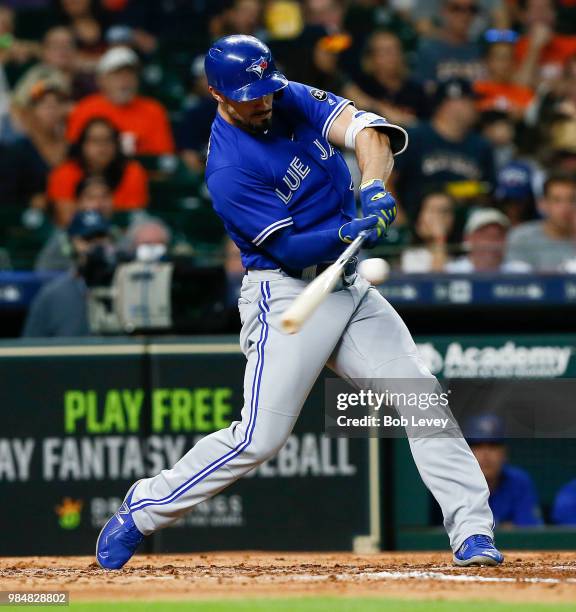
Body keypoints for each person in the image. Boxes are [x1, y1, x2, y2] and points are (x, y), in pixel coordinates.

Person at [96, 35, 503, 570]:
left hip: (349, 286)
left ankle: (472, 531)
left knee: (421, 398)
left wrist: (375, 189)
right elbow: (287, 248)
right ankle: (142, 509)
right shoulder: (228, 167)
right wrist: (347, 230)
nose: (261, 100)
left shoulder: (284, 93)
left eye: (264, 88)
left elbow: (369, 132)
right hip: (287, 289)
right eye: (249, 94)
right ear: (218, 95)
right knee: (258, 439)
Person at [393, 77, 496, 219]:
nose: (476, 106)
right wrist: (398, 217)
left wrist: (472, 195)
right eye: (470, 101)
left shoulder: (481, 145)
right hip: (415, 223)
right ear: (449, 104)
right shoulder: (415, 137)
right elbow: (387, 180)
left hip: (465, 226)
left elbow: (488, 193)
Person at [66, 46, 175, 155]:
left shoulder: (153, 111)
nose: (125, 80)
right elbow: (74, 155)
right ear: (101, 80)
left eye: (130, 73)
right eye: (117, 74)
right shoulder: (85, 109)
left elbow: (163, 159)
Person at [22, 209, 112, 338]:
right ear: (71, 244)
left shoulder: (126, 287)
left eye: (101, 237)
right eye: (87, 239)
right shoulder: (53, 294)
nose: (96, 246)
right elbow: (29, 350)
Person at [48, 117, 149, 226]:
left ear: (117, 145)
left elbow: (132, 218)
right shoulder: (64, 173)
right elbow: (66, 220)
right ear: (82, 145)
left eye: (108, 140)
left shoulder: (133, 171)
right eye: (94, 140)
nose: (102, 146)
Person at [465, 413, 544, 527]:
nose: (485, 454)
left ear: (504, 453)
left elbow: (531, 532)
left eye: (493, 446)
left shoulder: (518, 482)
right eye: (478, 446)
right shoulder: (452, 484)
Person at [0, 77, 69, 208]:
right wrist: (29, 202)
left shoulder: (73, 148)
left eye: (56, 104)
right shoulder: (16, 152)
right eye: (43, 104)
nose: (51, 110)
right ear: (30, 112)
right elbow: (6, 198)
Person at [342, 30, 430, 126]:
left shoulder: (416, 90)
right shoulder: (360, 86)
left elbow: (426, 126)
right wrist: (382, 109)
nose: (392, 56)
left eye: (396, 50)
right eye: (385, 51)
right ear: (371, 58)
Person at [36, 175, 114, 271]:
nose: (99, 203)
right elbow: (41, 275)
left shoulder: (116, 234)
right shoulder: (63, 238)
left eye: (104, 197)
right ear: (78, 203)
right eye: (91, 198)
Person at [505, 173, 576, 270]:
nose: (566, 207)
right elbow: (517, 281)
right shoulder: (522, 238)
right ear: (543, 204)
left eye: (572, 200)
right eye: (557, 200)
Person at [12, 26, 95, 105]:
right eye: (55, 45)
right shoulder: (36, 76)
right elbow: (20, 103)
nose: (62, 49)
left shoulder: (88, 77)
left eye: (68, 44)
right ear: (45, 51)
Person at [414, 0, 484, 86]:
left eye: (471, 9)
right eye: (456, 8)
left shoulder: (482, 50)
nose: (465, 15)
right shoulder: (428, 52)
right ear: (443, 11)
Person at [446, 208, 531, 273]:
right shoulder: (451, 271)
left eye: (498, 235)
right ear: (468, 238)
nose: (491, 242)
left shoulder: (521, 272)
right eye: (485, 235)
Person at [514, 0, 576, 88]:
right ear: (524, 15)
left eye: (546, 7)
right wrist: (535, 48)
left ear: (554, 13)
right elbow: (519, 87)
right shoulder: (513, 48)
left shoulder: (573, 44)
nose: (541, 13)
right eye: (535, 9)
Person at [474, 34, 534, 119]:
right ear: (487, 61)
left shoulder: (525, 93)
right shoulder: (476, 91)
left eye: (509, 58)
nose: (505, 63)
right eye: (499, 58)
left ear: (514, 63)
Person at [176, 55, 217, 174]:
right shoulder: (193, 112)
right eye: (205, 77)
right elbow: (189, 155)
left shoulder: (239, 108)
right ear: (197, 81)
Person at [401, 191, 456, 273]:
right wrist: (439, 238)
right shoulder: (411, 256)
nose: (439, 217)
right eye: (433, 211)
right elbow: (435, 281)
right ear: (419, 218)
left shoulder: (465, 253)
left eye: (445, 211)